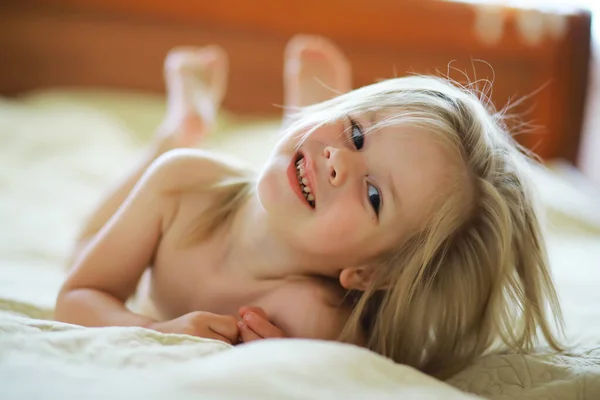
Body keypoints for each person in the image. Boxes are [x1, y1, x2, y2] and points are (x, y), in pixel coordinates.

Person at [55, 35, 564, 379]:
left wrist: (281, 358)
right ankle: (178, 127)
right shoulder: (183, 185)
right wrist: (153, 331)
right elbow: (79, 293)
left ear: (367, 274)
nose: (340, 161)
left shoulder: (311, 317)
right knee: (84, 243)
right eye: (358, 132)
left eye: (373, 196)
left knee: (305, 171)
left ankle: (304, 114)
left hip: (297, 208)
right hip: (195, 187)